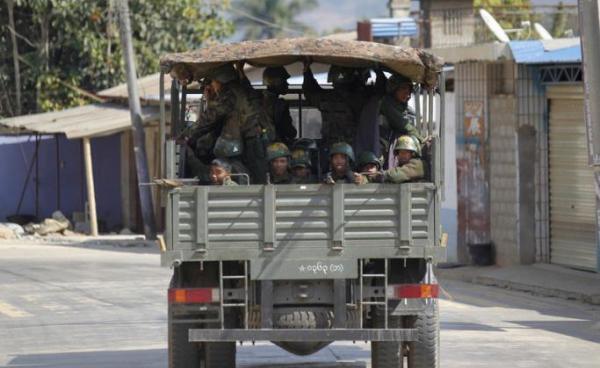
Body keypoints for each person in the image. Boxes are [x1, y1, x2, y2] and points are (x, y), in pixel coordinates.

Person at [193, 63, 274, 184]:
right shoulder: (240, 89)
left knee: (257, 179)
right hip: (256, 137)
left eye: (213, 81)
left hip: (254, 140)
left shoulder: (229, 94)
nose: (212, 85)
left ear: (220, 80)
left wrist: (188, 135)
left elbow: (210, 118)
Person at [303, 62, 366, 148]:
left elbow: (310, 92)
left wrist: (307, 72)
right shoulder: (356, 99)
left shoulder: (326, 97)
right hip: (348, 146)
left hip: (331, 145)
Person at [379, 73, 424, 169]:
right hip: (383, 144)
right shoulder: (387, 103)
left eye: (409, 90)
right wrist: (421, 140)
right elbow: (403, 125)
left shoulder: (405, 107)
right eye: (403, 89)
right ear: (394, 89)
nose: (407, 94)